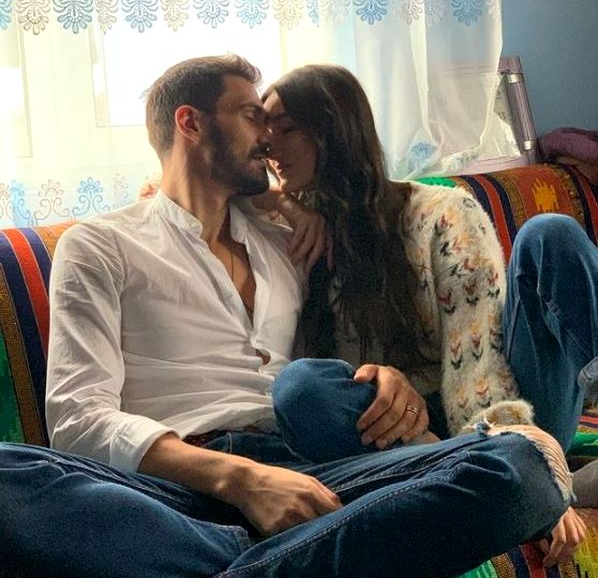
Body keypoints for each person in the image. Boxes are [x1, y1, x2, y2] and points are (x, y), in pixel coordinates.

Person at [0, 56, 574, 577]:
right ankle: (269, 555)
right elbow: (77, 419)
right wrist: (242, 480)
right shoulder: (101, 244)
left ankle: (237, 562)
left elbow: (333, 361)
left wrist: (385, 376)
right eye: (252, 116)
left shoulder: (289, 243)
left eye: (275, 124)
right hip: (173, 488)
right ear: (190, 123)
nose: (267, 138)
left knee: (523, 466)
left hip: (313, 471)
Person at [262, 62, 598, 563]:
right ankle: (504, 480)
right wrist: (285, 205)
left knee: (550, 234)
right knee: (300, 387)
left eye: (286, 128)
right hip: (399, 434)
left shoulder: (442, 214)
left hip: (497, 408)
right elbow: (187, 181)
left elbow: (477, 363)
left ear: (334, 130)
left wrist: (519, 451)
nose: (268, 144)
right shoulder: (293, 230)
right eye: (263, 130)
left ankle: (530, 470)